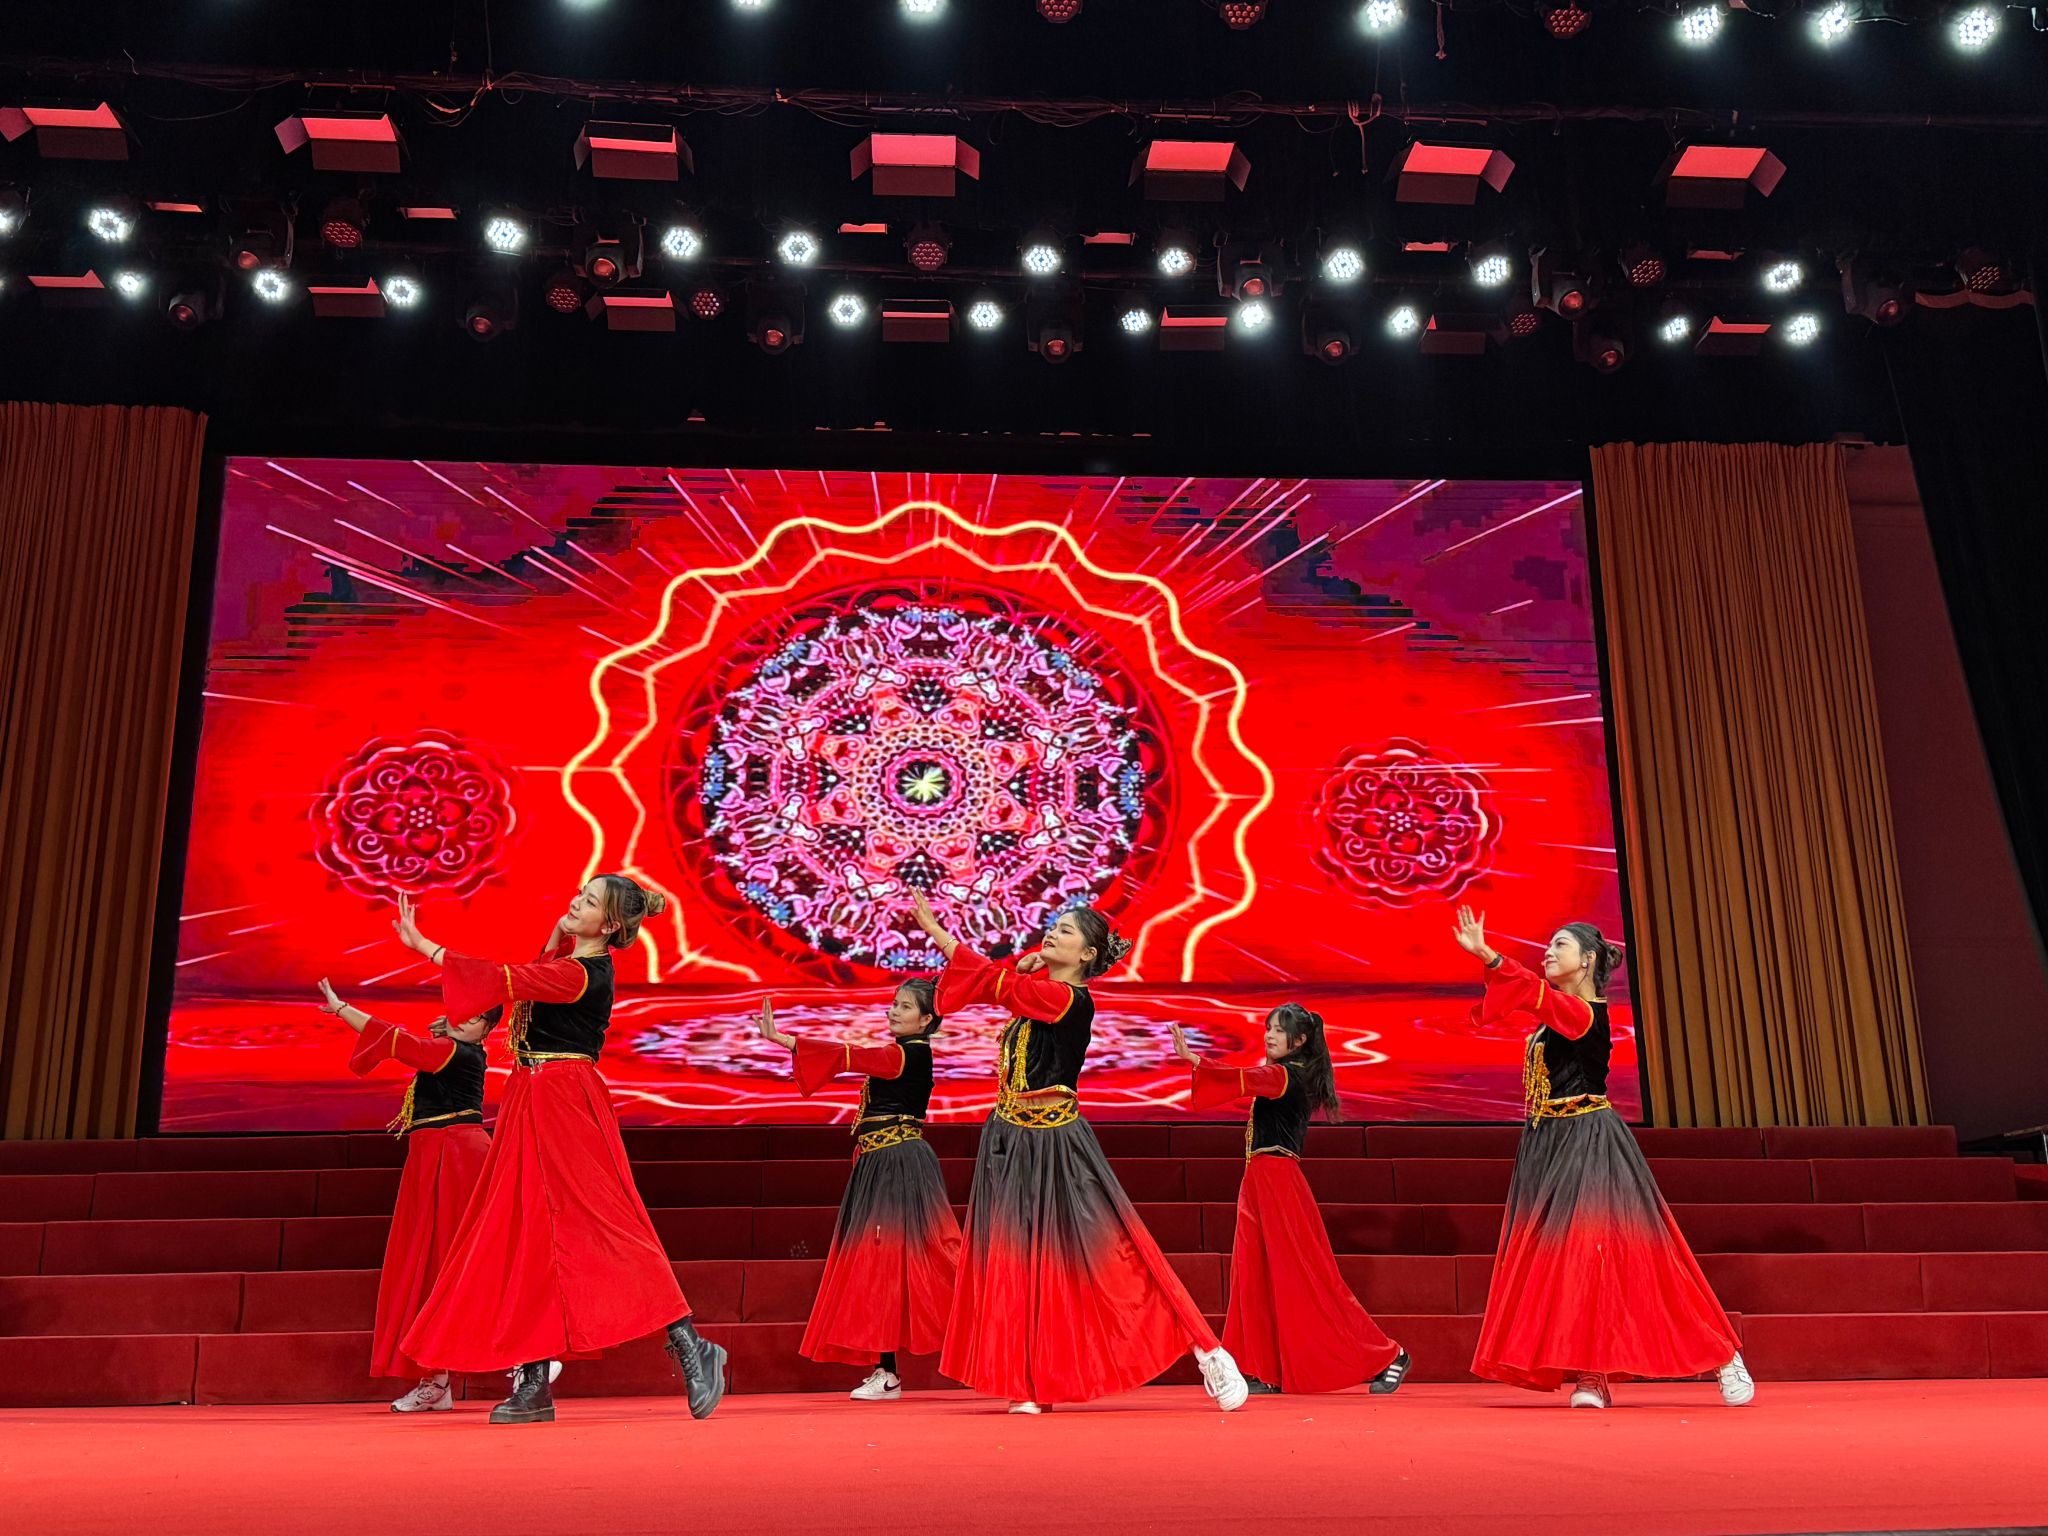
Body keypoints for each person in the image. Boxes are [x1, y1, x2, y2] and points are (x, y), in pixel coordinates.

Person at [391, 877, 728, 1424]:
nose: (575, 902)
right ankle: (532, 1382)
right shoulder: (569, 963)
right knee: (524, 1232)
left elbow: (506, 978)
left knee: (603, 1223)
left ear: (611, 925)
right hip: (532, 1095)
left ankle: (690, 1343)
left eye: (590, 902)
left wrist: (425, 947)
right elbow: (534, 968)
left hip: (564, 1098)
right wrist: (561, 930)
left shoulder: (582, 975)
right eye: (579, 893)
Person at [911, 889, 1249, 1414]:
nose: (1052, 933)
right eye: (1053, 926)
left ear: (1088, 954)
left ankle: (1207, 1349)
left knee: (1116, 1253)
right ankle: (1029, 1383)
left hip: (1057, 1141)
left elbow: (999, 986)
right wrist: (1026, 963)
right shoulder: (1040, 991)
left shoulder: (1069, 1000)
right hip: (1008, 1139)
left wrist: (939, 934)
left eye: (1065, 931)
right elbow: (1001, 986)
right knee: (1015, 1262)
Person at [1452, 904, 1754, 1409]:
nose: (1548, 952)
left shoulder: (1586, 1014)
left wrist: (1491, 957)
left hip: (1589, 1139)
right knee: (1560, 1264)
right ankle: (1591, 1374)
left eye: (1561, 945)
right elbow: (1526, 1000)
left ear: (1588, 959)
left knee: (1619, 1258)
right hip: (1548, 1144)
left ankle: (1723, 1355)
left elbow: (1532, 995)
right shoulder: (1556, 1015)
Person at [1171, 1005, 1410, 1397]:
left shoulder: (1287, 1076)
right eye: (1268, 1028)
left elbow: (1247, 1078)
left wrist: (1196, 1060)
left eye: (1278, 1031)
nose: (1269, 1035)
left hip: (1279, 1182)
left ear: (1299, 1041)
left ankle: (1389, 1355)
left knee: (1307, 1278)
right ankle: (1263, 1369)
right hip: (1258, 1180)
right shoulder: (1284, 1073)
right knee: (1254, 1277)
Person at [757, 978, 961, 1401]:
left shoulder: (905, 1054)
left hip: (895, 1163)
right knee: (884, 1264)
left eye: (904, 1007)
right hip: (880, 1161)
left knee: (907, 1260)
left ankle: (991, 1333)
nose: (893, 1011)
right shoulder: (902, 1051)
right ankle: (887, 1372)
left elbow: (851, 1055)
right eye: (893, 1003)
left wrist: (785, 1040)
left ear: (926, 1020)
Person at [314, 977, 501, 1413]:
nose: (464, 1020)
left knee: (452, 1265)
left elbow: (396, 1041)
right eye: (462, 1012)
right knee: (429, 1267)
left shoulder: (454, 1051)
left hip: (456, 1158)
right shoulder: (451, 1047)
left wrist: (343, 1009)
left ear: (486, 1029)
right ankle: (437, 1378)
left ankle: (523, 1363)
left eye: (475, 1017)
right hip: (435, 1154)